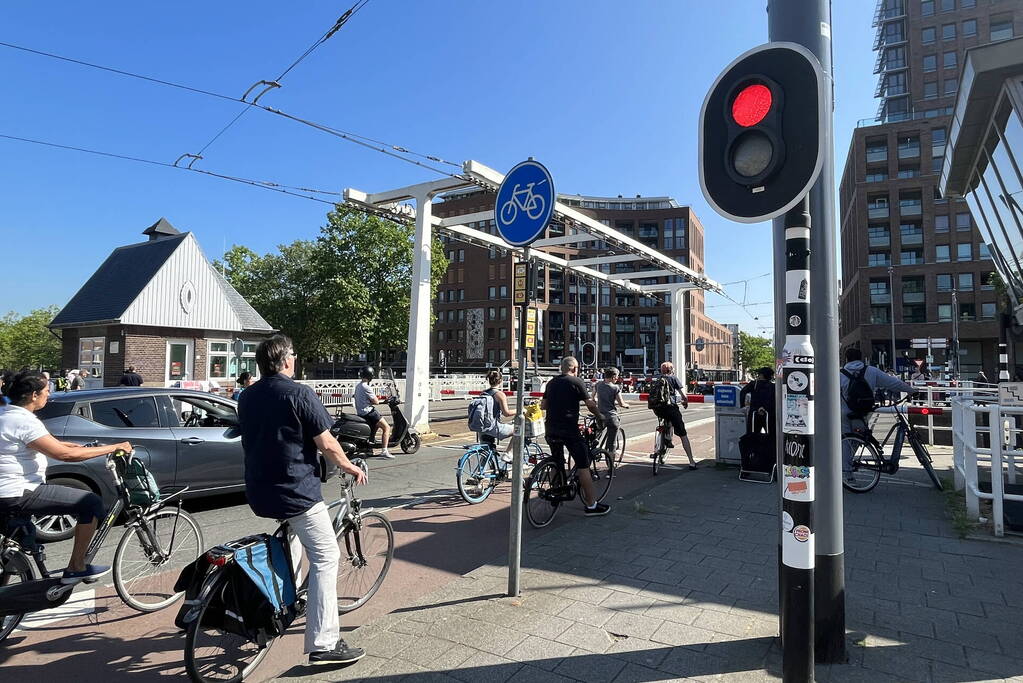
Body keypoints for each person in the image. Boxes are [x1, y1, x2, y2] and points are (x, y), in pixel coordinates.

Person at [237, 334, 368, 667]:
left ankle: (289, 599)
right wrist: (350, 466)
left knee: (294, 537)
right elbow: (327, 444)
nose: (295, 359)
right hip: (296, 492)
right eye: (293, 354)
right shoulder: (299, 393)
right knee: (326, 555)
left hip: (258, 492)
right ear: (283, 360)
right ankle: (324, 643)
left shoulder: (247, 396)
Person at [0, 370, 132, 583]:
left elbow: (43, 443)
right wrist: (113, 447)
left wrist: (71, 445)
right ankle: (77, 566)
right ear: (34, 395)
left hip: (6, 492)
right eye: (45, 391)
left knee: (16, 543)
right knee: (90, 503)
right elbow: (65, 456)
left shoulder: (6, 414)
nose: (49, 395)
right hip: (18, 492)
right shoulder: (23, 420)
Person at [540, 356, 610, 516]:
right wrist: (600, 416)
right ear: (573, 368)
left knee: (557, 460)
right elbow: (590, 404)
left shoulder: (551, 383)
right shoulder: (576, 382)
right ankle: (592, 505)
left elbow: (543, 405)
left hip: (550, 428)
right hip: (569, 429)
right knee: (583, 464)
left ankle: (556, 491)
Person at [840, 347, 915, 483]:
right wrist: (910, 390)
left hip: (844, 413)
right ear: (861, 358)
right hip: (863, 412)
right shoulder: (871, 371)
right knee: (860, 438)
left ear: (846, 359)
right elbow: (893, 383)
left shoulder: (839, 374)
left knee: (845, 441)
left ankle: (847, 474)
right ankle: (849, 462)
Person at [651, 362, 697, 470]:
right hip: (670, 408)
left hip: (658, 409)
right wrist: (685, 402)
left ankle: (659, 445)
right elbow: (683, 395)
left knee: (665, 421)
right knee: (682, 434)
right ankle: (691, 461)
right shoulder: (673, 378)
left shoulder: (657, 379)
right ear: (671, 370)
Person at [476, 370, 516, 463]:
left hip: (482, 428)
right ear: (501, 381)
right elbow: (506, 413)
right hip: (493, 427)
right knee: (518, 431)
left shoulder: (483, 393)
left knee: (486, 452)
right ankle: (508, 454)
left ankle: (479, 474)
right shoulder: (500, 394)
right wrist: (520, 410)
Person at [353, 366, 392, 459]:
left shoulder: (358, 386)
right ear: (370, 376)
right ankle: (384, 451)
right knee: (386, 427)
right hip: (369, 412)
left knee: (376, 425)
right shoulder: (366, 387)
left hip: (361, 412)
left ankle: (370, 447)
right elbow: (376, 402)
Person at [594, 367, 629, 452]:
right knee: (611, 442)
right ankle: (611, 462)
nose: (617, 379)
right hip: (611, 416)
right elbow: (621, 403)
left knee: (597, 431)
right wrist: (626, 405)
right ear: (613, 377)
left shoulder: (598, 384)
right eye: (617, 377)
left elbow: (593, 398)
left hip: (600, 415)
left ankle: (594, 446)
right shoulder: (615, 388)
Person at [739, 367, 775, 435]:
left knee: (752, 435)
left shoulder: (754, 384)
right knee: (771, 435)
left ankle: (754, 445)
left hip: (754, 412)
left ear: (761, 375)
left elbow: (743, 392)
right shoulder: (773, 386)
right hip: (768, 413)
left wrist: (743, 406)